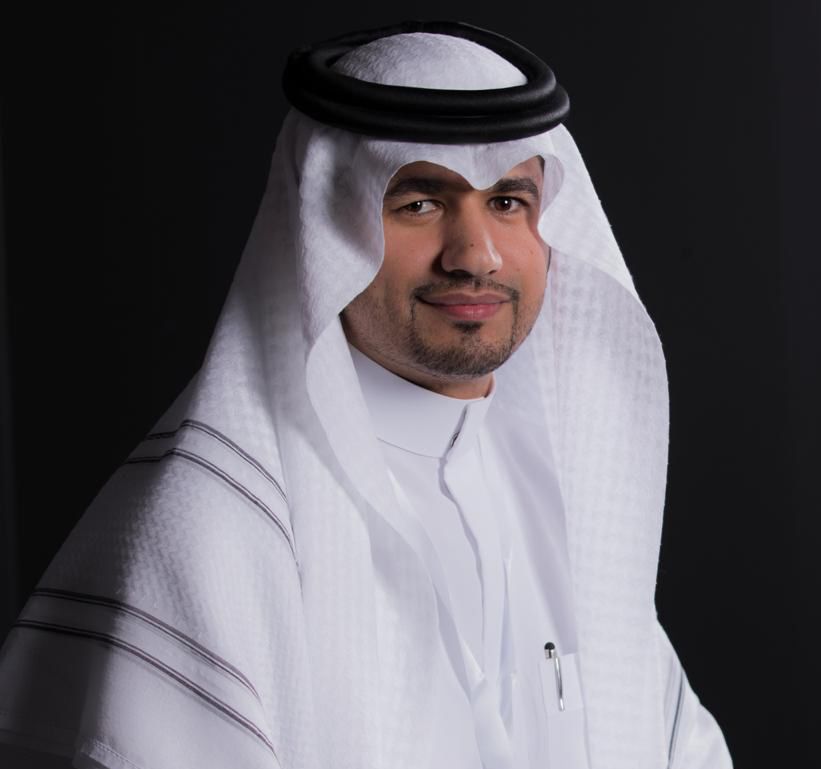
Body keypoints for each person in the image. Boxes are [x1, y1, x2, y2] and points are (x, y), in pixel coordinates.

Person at [0, 20, 732, 769]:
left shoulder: (571, 502)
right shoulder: (221, 528)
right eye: (419, 203)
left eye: (509, 201)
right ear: (325, 230)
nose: (475, 254)